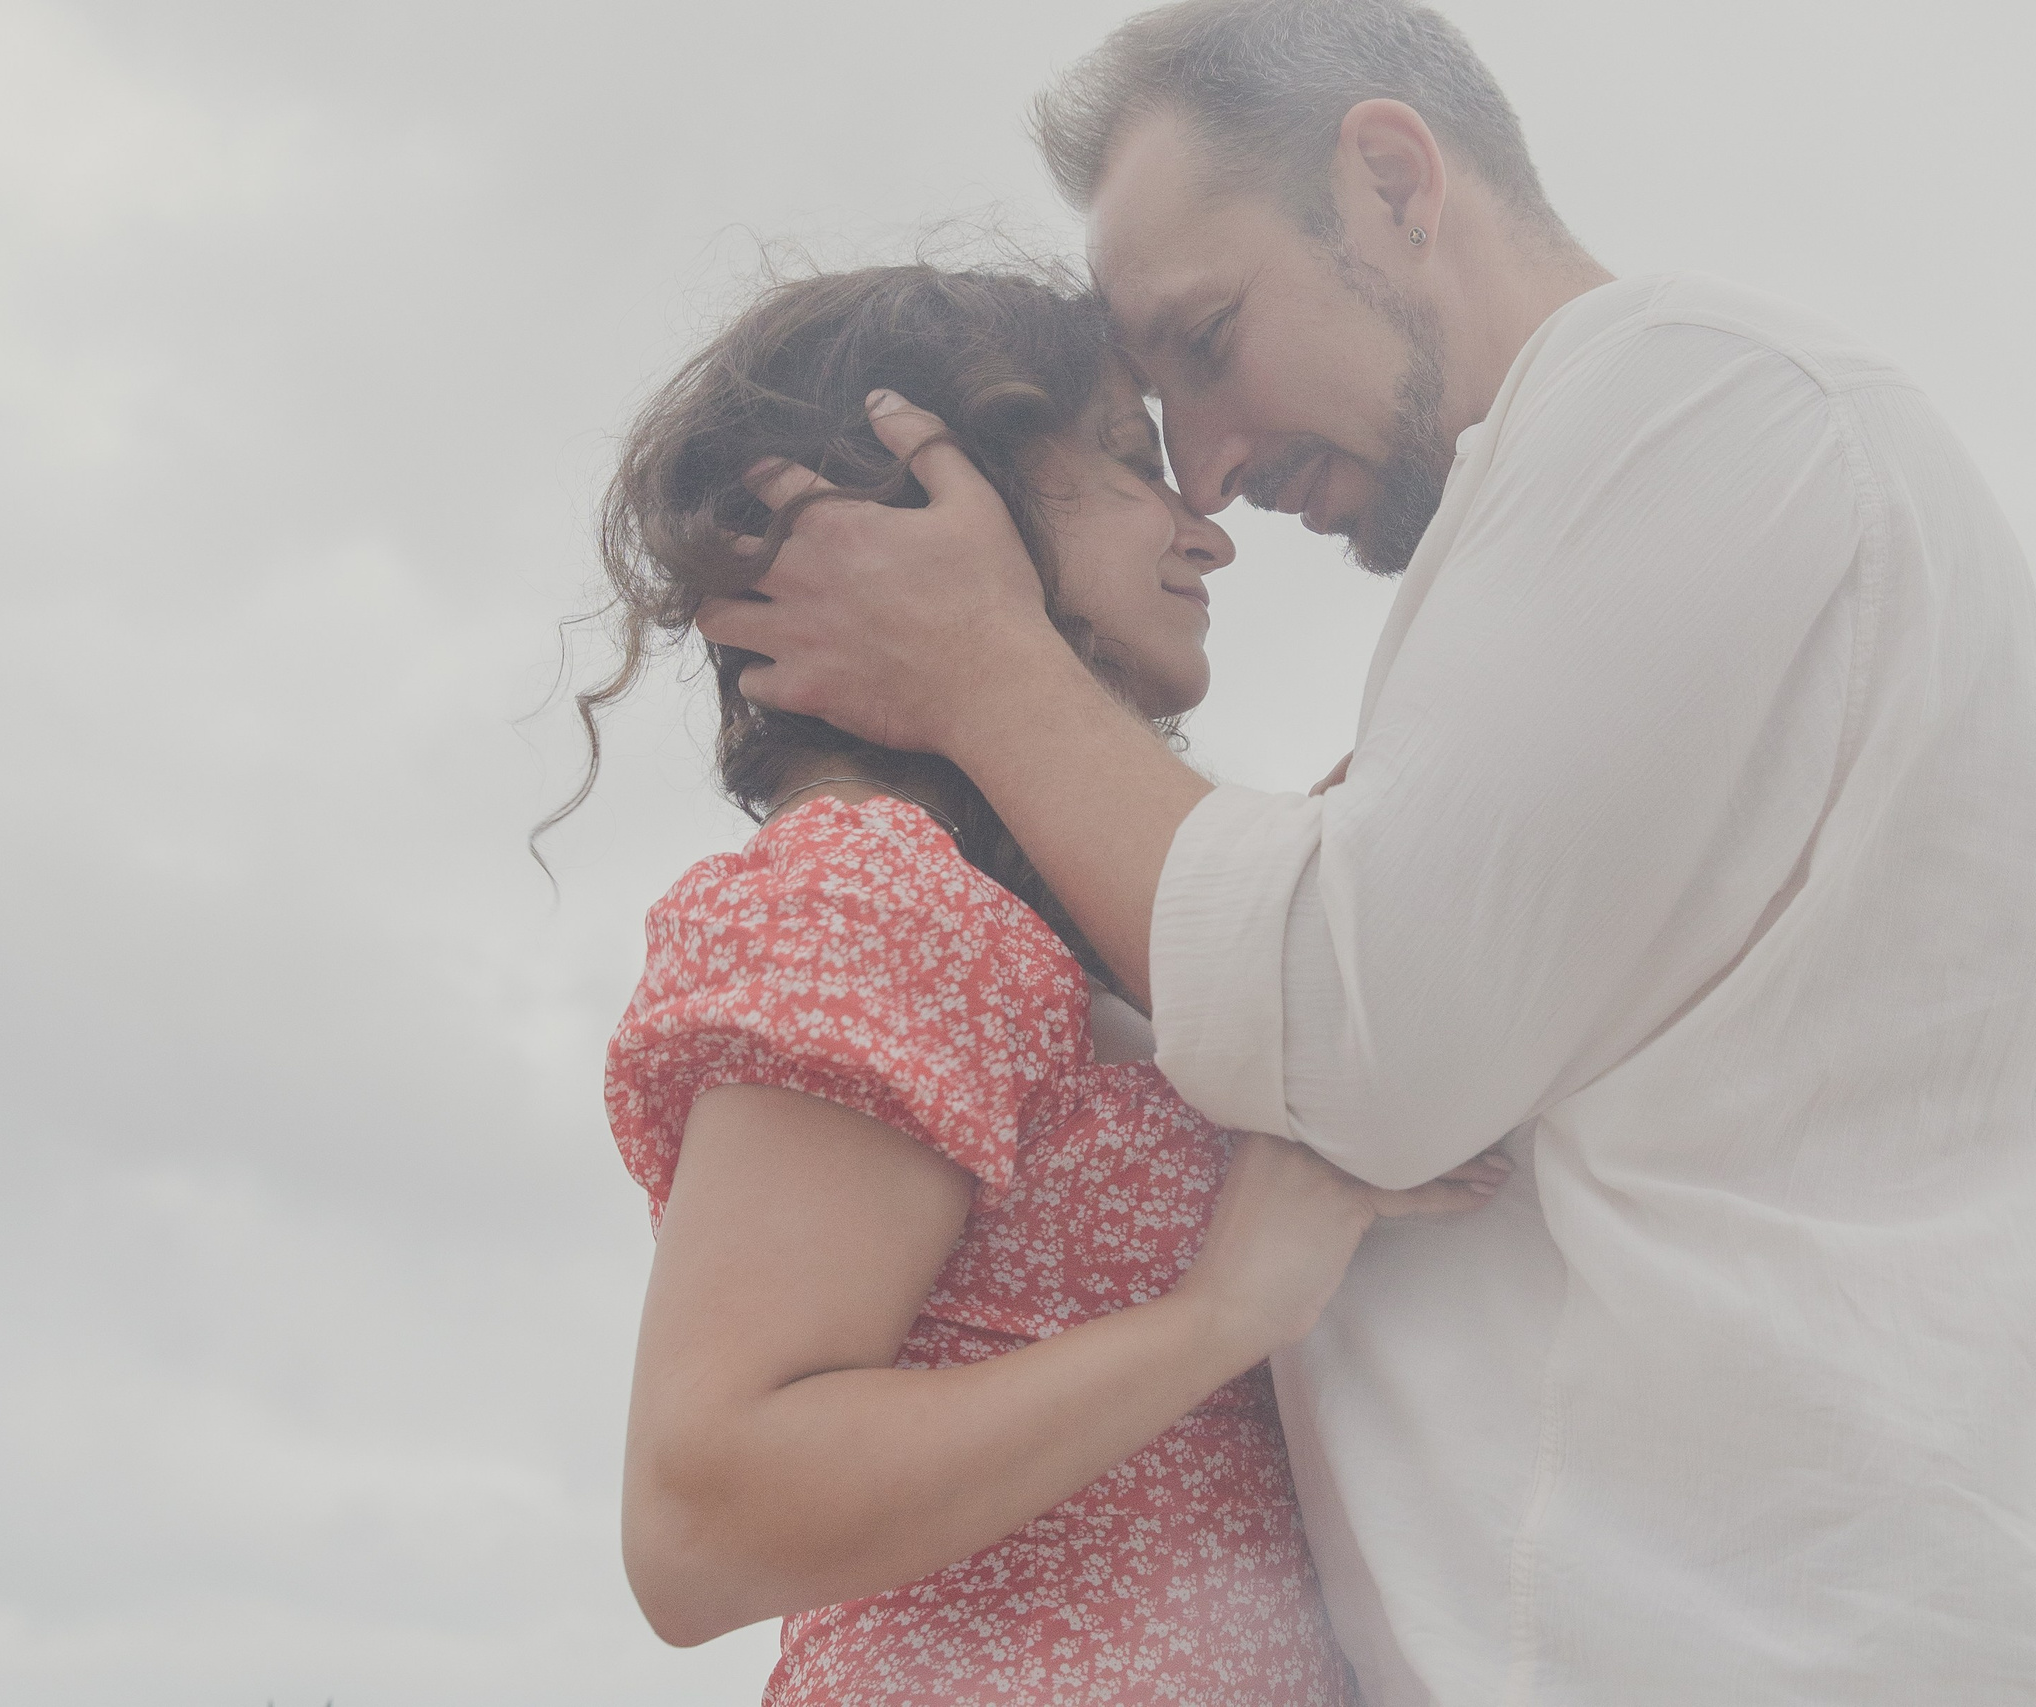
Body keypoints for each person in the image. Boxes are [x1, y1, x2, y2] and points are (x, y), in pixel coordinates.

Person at [694, 2, 2036, 1703]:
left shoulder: (1698, 404)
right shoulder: (1662, 505)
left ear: (1395, 181)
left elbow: (1358, 1042)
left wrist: (981, 665)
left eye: (1207, 339)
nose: (1214, 471)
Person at [567, 262, 1506, 1707]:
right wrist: (1218, 1314)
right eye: (1133, 466)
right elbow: (704, 1518)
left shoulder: (1046, 922)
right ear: (946, 508)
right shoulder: (875, 892)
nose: (1208, 536)